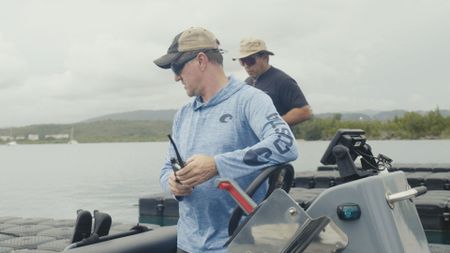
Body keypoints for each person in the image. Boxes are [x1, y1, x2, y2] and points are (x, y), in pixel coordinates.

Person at [153, 27, 298, 253]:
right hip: (187, 245)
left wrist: (216, 165)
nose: (175, 77)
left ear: (201, 60)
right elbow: (165, 168)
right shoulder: (183, 114)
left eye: (177, 66)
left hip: (238, 245)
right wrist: (172, 183)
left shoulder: (250, 100)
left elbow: (286, 144)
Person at [234, 38, 312, 127]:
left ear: (265, 58)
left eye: (249, 60)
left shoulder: (282, 80)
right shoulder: (247, 82)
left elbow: (304, 111)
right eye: (242, 61)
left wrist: (271, 125)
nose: (246, 66)